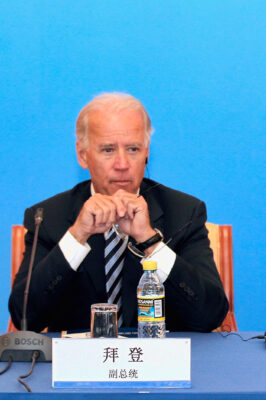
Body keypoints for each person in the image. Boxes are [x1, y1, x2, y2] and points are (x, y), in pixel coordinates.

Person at [9, 92, 228, 332]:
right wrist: (76, 236)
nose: (122, 164)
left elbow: (210, 315)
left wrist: (151, 242)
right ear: (83, 155)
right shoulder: (49, 217)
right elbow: (25, 318)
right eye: (108, 150)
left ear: (146, 152)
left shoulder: (184, 213)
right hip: (78, 366)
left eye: (133, 149)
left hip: (160, 364)